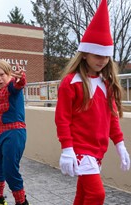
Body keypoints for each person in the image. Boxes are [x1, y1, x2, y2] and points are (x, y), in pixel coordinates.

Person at [55, 0, 130, 205]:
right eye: (98, 55)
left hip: (98, 150)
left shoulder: (106, 84)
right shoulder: (70, 83)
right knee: (97, 195)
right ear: (85, 53)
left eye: (106, 56)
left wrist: (120, 145)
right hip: (80, 149)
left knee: (83, 195)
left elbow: (112, 118)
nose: (103, 60)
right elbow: (62, 118)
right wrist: (67, 148)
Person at [0, 60, 29, 205]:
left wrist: (21, 78)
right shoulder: (0, 90)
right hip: (2, 134)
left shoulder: (12, 86)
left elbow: (19, 85)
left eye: (2, 74)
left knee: (10, 170)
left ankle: (22, 202)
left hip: (15, 133)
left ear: (9, 73)